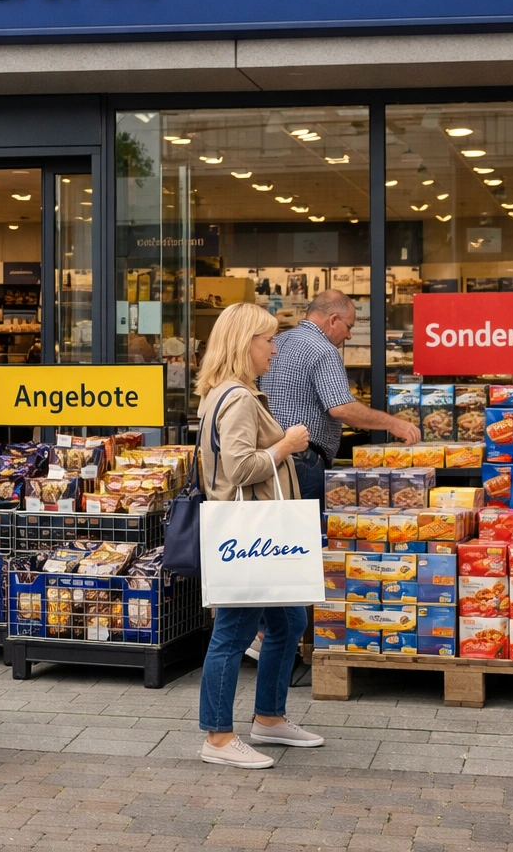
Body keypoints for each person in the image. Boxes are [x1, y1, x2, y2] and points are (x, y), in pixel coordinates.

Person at [195, 302, 323, 769]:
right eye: (267, 339)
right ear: (243, 342)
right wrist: (287, 445)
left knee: (289, 621)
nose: (274, 348)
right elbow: (239, 467)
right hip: (251, 537)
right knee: (233, 633)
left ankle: (269, 717)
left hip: (260, 538)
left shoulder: (224, 394)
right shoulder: (239, 398)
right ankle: (218, 738)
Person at [260, 289, 421, 503]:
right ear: (333, 319)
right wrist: (393, 424)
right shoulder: (324, 349)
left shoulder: (276, 342)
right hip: (303, 462)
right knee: (307, 533)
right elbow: (341, 408)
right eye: (349, 327)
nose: (349, 335)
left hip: (271, 458)